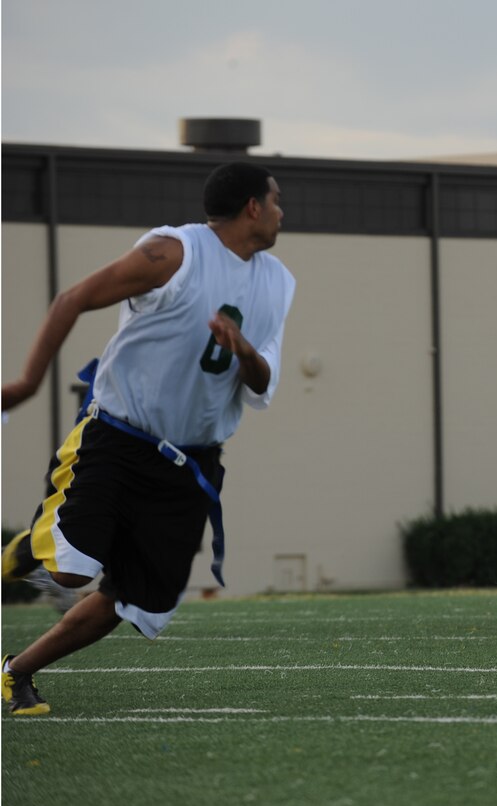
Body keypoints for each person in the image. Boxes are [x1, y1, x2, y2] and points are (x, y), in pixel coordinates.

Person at [1, 162, 296, 715]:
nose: (283, 211)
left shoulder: (277, 281)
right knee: (70, 569)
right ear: (253, 207)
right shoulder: (173, 254)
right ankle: (29, 546)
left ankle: (15, 672)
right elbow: (73, 299)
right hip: (119, 437)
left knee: (131, 600)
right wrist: (26, 383)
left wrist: (245, 351)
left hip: (190, 466)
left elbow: (262, 384)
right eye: (277, 200)